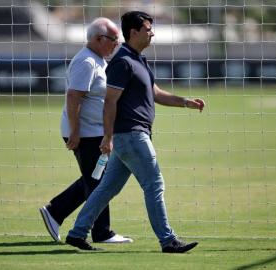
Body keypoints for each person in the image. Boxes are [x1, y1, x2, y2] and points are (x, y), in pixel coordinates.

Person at [65, 11, 205, 253]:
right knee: (154, 184)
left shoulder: (138, 59)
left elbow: (157, 93)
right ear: (134, 32)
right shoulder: (122, 62)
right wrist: (108, 137)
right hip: (131, 135)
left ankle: (77, 233)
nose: (152, 33)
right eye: (148, 29)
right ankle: (168, 240)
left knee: (108, 188)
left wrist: (185, 102)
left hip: (129, 136)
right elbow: (110, 102)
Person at [39, 17, 133, 244]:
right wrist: (75, 132)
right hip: (85, 133)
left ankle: (56, 211)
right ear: (99, 39)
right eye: (114, 40)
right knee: (99, 181)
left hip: (93, 131)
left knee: (95, 178)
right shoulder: (86, 62)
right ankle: (101, 232)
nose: (117, 44)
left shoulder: (98, 59)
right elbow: (73, 97)